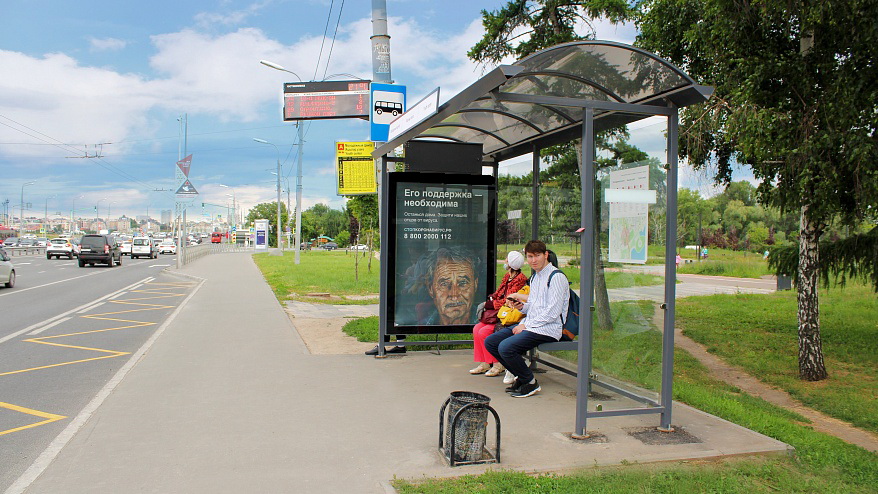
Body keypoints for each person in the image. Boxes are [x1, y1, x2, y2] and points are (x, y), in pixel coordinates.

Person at [484, 240, 569, 398]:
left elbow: (553, 312)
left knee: (505, 347)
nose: (533, 260)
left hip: (549, 328)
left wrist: (526, 325)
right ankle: (522, 377)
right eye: (530, 256)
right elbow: (534, 306)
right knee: (491, 342)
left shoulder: (556, 277)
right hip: (532, 324)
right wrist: (521, 307)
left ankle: (530, 383)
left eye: (537, 255)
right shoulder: (536, 277)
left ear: (546, 255)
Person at [470, 251, 528, 377]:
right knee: (477, 329)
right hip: (498, 313)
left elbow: (509, 300)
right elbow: (499, 292)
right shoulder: (507, 276)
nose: (505, 261)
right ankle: (485, 362)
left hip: (507, 316)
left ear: (511, 263)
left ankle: (498, 364)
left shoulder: (520, 279)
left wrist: (489, 304)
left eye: (507, 259)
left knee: (484, 332)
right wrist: (492, 298)